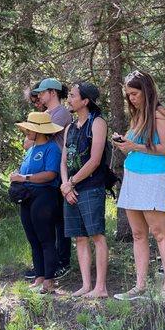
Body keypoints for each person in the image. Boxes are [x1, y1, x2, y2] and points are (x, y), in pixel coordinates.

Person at [112, 70, 165, 302]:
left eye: (134, 93)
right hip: (133, 176)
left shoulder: (160, 113)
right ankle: (140, 286)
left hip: (155, 177)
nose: (131, 98)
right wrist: (124, 143)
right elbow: (134, 144)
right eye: (128, 95)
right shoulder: (138, 116)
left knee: (160, 233)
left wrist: (135, 146)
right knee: (138, 234)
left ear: (146, 91)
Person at [60, 82, 109, 298]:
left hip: (91, 187)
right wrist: (65, 186)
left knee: (96, 235)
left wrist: (72, 182)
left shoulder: (97, 123)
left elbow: (95, 160)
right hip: (70, 190)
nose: (68, 99)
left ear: (85, 101)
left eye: (72, 96)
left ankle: (101, 287)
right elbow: (64, 160)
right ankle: (86, 285)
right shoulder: (70, 128)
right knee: (79, 237)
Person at [12, 112, 63, 293]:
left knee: (46, 238)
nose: (26, 131)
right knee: (32, 238)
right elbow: (24, 172)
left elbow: (51, 174)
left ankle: (50, 279)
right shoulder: (31, 149)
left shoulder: (52, 148)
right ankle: (39, 275)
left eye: (30, 128)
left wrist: (24, 177)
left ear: (40, 131)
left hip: (45, 196)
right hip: (27, 197)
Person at [30, 78, 74, 280]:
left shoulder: (62, 113)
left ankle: (63, 262)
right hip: (45, 170)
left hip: (58, 169)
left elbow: (41, 135)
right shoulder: (45, 114)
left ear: (53, 92)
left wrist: (34, 129)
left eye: (42, 92)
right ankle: (48, 264)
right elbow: (29, 140)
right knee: (47, 220)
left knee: (60, 220)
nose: (39, 96)